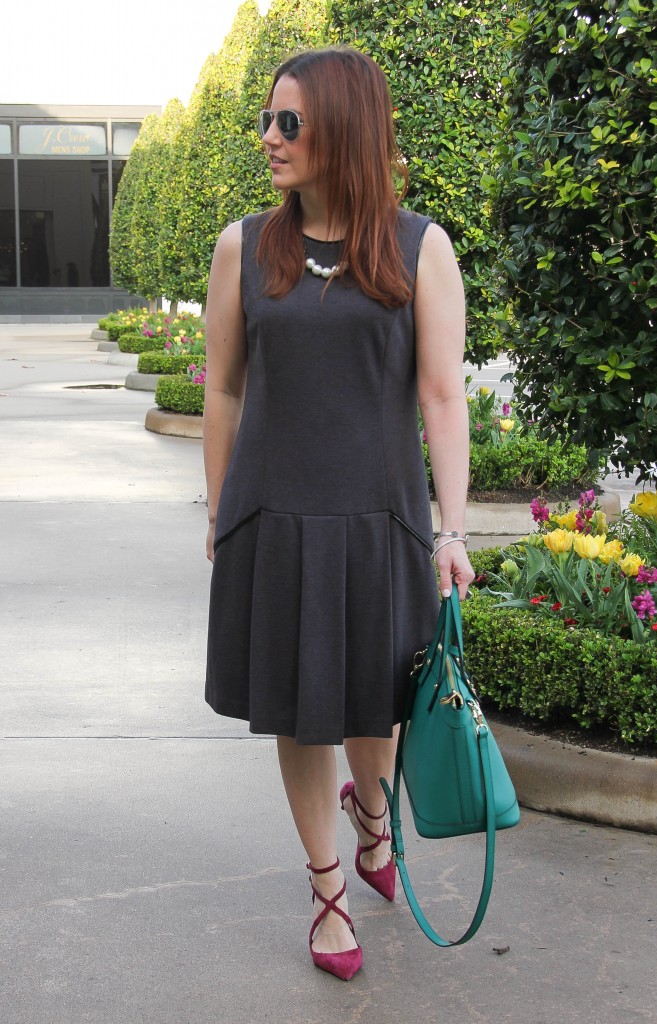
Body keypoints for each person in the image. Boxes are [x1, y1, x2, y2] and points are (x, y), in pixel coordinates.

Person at [202, 46, 474, 980]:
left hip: (383, 519)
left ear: (344, 129)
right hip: (276, 519)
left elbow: (442, 394)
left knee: (375, 704)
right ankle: (328, 895)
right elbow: (225, 392)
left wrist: (451, 528)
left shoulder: (418, 247)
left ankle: (373, 821)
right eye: (268, 121)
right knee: (299, 711)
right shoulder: (244, 247)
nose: (268, 139)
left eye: (290, 123)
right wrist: (220, 508)